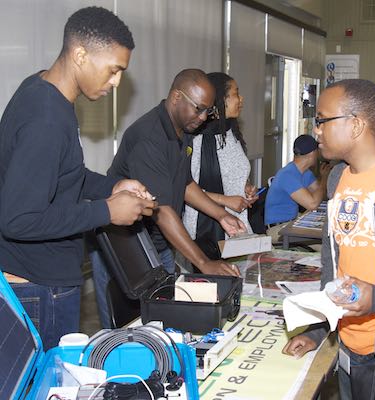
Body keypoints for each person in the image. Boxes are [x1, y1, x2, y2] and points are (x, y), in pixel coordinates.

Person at [0, 6, 156, 350]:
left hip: (38, 281)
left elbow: (62, 175)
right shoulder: (47, 120)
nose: (116, 82)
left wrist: (112, 186)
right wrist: (107, 211)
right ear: (81, 55)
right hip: (39, 288)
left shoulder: (42, 90)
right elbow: (18, 219)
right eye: (114, 70)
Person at [282, 79, 375, 399]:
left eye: (322, 120)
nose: (315, 130)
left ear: (357, 124)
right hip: (347, 347)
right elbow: (334, 266)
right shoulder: (337, 177)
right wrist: (320, 329)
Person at [108, 68, 246, 275]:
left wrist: (221, 215)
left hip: (159, 243)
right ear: (176, 97)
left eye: (207, 111)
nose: (202, 118)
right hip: (128, 247)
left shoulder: (184, 128)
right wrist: (204, 262)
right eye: (198, 109)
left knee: (165, 304)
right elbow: (161, 211)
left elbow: (185, 183)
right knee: (137, 307)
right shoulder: (149, 139)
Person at [182, 72, 257, 260]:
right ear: (220, 100)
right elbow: (185, 189)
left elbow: (234, 172)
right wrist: (226, 200)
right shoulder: (198, 140)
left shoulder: (230, 132)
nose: (241, 99)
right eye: (235, 93)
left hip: (236, 226)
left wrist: (245, 187)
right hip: (206, 231)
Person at [264, 134, 330, 241]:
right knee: (325, 243)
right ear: (312, 154)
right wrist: (324, 178)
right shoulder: (287, 175)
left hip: (292, 223)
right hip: (278, 229)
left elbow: (321, 195)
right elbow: (312, 204)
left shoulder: (305, 173)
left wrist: (324, 180)